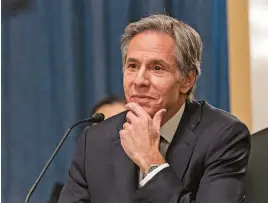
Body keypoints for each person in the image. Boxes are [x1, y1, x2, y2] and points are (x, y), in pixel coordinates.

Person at [59, 14, 250, 203]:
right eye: (132, 66)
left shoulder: (223, 136)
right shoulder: (94, 140)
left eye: (157, 68)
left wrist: (151, 161)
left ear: (187, 80)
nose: (139, 80)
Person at [48, 96, 126, 203]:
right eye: (102, 127)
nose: (109, 135)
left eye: (117, 126)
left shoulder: (145, 181)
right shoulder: (72, 192)